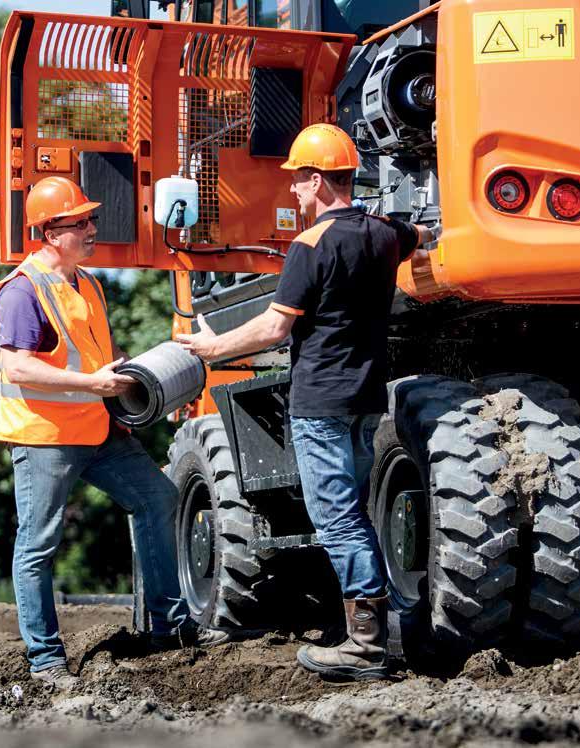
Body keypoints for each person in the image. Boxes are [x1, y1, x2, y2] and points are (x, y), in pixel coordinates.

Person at [177, 124, 436, 681]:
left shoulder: (309, 246)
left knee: (337, 519)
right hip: (366, 400)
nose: (293, 190)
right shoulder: (383, 235)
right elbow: (418, 233)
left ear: (318, 181)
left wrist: (211, 346)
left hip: (319, 402)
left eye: (298, 180)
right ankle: (377, 630)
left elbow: (274, 327)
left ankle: (365, 646)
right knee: (358, 515)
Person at [0, 176, 221, 691]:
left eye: (90, 219)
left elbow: (86, 358)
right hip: (45, 436)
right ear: (50, 232)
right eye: (80, 222)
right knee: (38, 545)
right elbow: (19, 369)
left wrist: (119, 383)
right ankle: (46, 660)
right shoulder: (23, 291)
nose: (93, 227)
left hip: (97, 426)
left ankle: (168, 628)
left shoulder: (87, 282)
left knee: (158, 498)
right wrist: (92, 382)